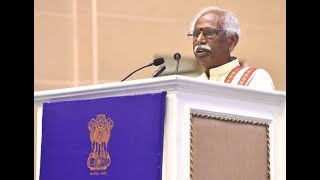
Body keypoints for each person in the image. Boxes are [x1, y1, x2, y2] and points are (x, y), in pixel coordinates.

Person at [188, 6, 275, 91]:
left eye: (210, 32)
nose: (199, 40)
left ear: (232, 41)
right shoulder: (190, 86)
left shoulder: (254, 78)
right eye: (196, 34)